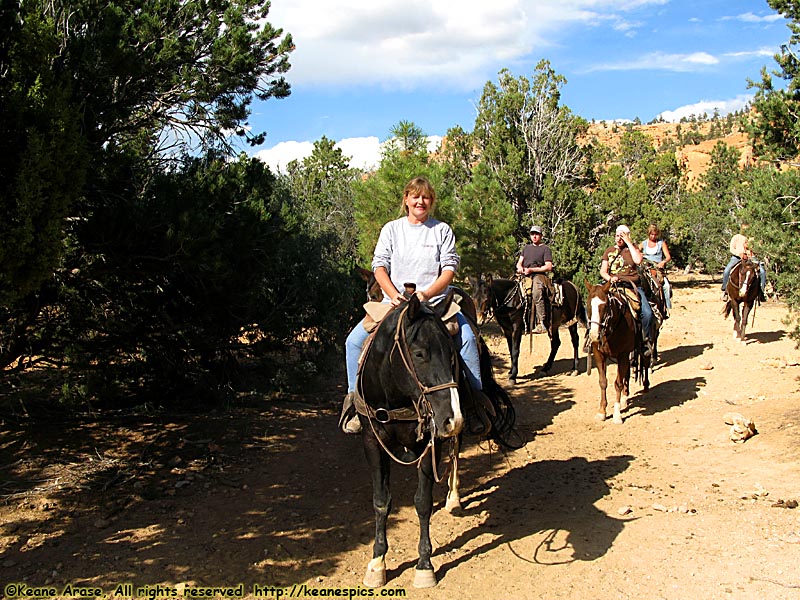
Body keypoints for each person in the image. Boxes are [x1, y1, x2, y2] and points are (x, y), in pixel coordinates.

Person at [340, 176, 484, 434]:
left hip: (436, 305)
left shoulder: (441, 230)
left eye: (426, 197)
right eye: (415, 196)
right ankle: (354, 404)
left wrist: (426, 294)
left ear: (432, 201)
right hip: (394, 304)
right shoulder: (392, 229)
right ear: (406, 199)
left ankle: (475, 404)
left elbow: (449, 269)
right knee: (353, 343)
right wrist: (393, 294)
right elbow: (380, 266)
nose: (421, 201)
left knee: (468, 341)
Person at [600, 224, 654, 355]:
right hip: (612, 285)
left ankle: (645, 341)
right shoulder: (609, 251)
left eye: (622, 236)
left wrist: (628, 242)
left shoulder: (632, 249)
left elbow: (638, 260)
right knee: (593, 306)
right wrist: (609, 278)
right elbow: (603, 271)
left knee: (647, 313)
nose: (619, 238)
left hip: (631, 285)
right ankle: (591, 339)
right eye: (617, 235)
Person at [515, 224, 553, 334]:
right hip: (524, 275)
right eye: (532, 234)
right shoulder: (526, 248)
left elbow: (548, 266)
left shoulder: (545, 249)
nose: (534, 236)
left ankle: (542, 323)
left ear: (541, 235)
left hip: (538, 275)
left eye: (537, 234)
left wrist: (532, 270)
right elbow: (519, 262)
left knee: (536, 293)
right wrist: (520, 268)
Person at [721, 223, 767, 302]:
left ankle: (761, 292)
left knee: (762, 272)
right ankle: (725, 290)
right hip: (737, 257)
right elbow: (731, 248)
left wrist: (751, 253)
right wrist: (739, 254)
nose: (745, 231)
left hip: (751, 258)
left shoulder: (753, 239)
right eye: (744, 229)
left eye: (747, 229)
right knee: (727, 270)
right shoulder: (736, 237)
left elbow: (759, 248)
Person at [639, 224, 672, 314]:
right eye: (651, 234)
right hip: (646, 266)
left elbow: (668, 257)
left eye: (655, 234)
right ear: (648, 234)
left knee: (666, 286)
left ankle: (666, 307)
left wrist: (663, 262)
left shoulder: (661, 243)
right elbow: (636, 251)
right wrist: (640, 254)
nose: (653, 236)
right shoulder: (644, 243)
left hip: (657, 267)